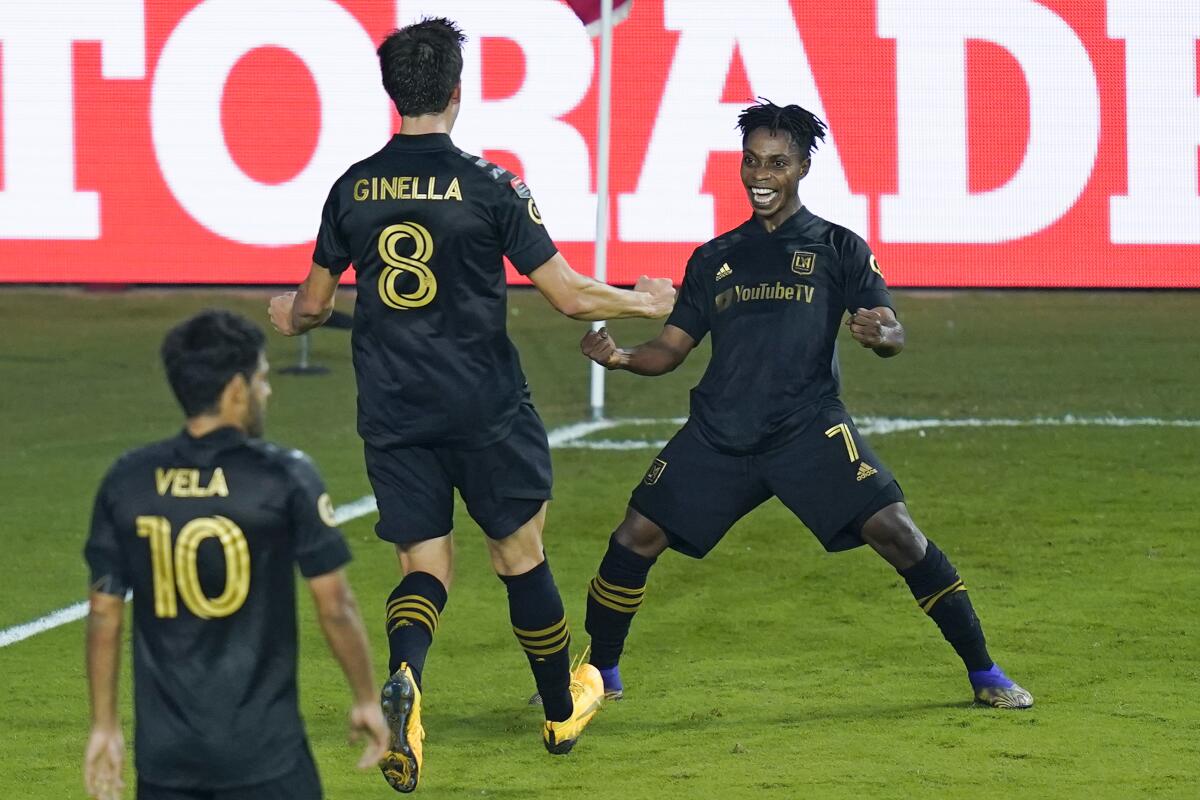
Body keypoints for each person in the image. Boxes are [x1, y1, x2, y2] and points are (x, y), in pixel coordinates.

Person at [267, 16, 675, 793]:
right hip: (484, 406)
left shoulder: (352, 187)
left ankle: (408, 688)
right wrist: (644, 301)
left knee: (425, 563)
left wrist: (293, 314)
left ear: (394, 93)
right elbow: (564, 294)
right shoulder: (489, 185)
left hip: (393, 407)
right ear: (458, 90)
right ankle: (560, 708)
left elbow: (315, 304)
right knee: (518, 554)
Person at [577, 100, 1033, 712]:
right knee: (634, 537)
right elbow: (671, 347)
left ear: (803, 167)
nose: (761, 175)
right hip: (720, 433)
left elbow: (891, 329)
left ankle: (985, 671)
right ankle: (601, 670)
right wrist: (622, 357)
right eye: (751, 162)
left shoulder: (839, 247)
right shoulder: (714, 257)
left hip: (807, 430)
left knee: (898, 534)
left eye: (777, 163)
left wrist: (883, 336)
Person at [83, 310, 389, 800]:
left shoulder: (128, 481)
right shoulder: (283, 477)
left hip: (166, 760)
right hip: (266, 754)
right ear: (235, 390)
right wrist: (366, 697)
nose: (266, 392)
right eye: (262, 379)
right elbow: (335, 606)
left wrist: (104, 725)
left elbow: (103, 612)